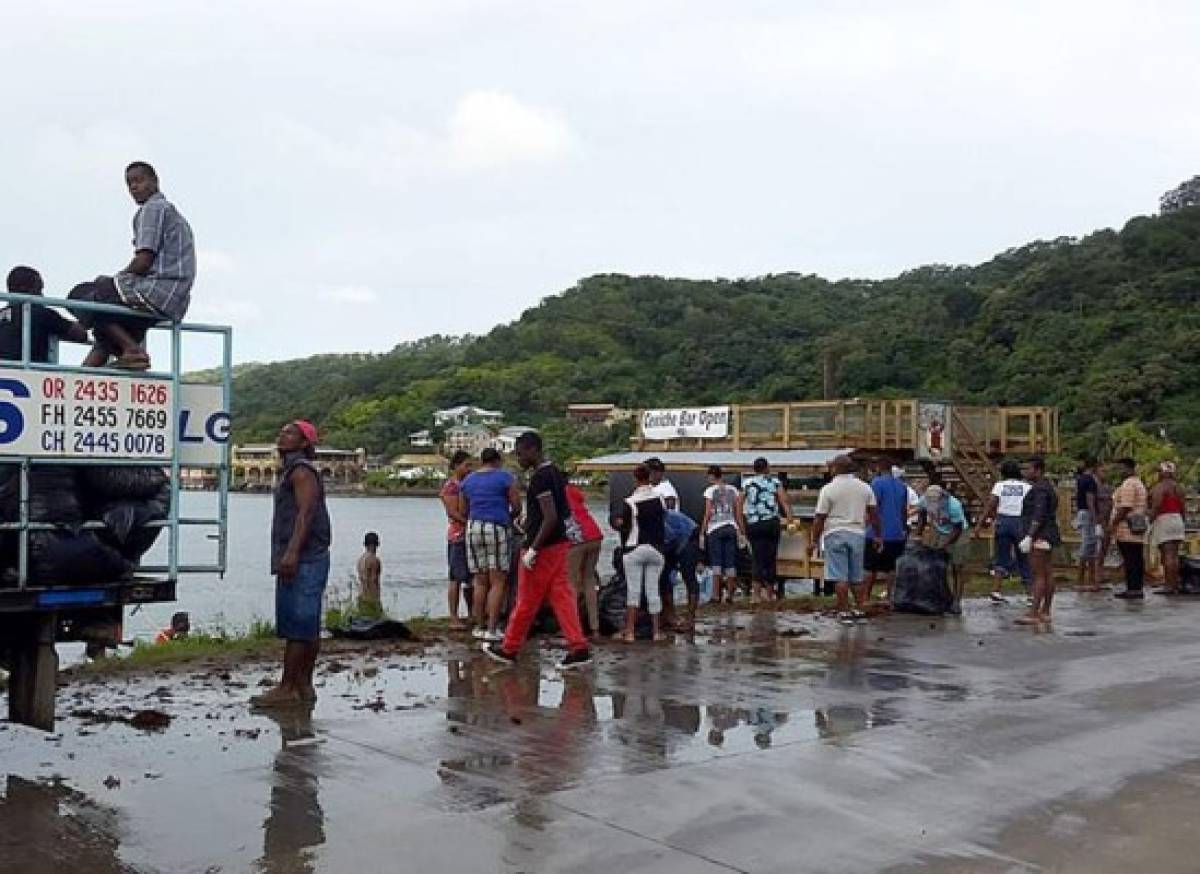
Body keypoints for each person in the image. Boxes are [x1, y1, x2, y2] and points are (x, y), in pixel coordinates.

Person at [67, 162, 195, 370]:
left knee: (82, 295)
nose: (134, 187)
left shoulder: (153, 208)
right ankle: (88, 372)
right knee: (104, 324)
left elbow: (143, 260)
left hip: (158, 290)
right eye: (129, 183)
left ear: (154, 181)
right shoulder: (172, 213)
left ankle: (133, 351)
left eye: (139, 180)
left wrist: (112, 281)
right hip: (175, 299)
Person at [482, 432, 592, 669]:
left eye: (520, 453)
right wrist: (530, 521)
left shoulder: (541, 478)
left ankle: (509, 648)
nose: (518, 458)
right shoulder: (554, 473)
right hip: (560, 544)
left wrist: (533, 548)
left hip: (543, 548)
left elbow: (550, 516)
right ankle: (578, 646)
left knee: (526, 600)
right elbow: (554, 513)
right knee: (562, 598)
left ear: (532, 450)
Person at [252, 420, 332, 708]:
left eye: (289, 433)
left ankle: (288, 686)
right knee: (306, 622)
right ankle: (303, 685)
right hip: (306, 553)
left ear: (303, 443)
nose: (281, 435)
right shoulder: (294, 470)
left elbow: (306, 513)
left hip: (305, 555)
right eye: (282, 430)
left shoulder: (301, 471)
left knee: (298, 622)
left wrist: (292, 552)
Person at [809, 455, 880, 625]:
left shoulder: (828, 489)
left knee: (839, 575)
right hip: (857, 533)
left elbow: (820, 517)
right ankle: (859, 608)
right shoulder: (864, 488)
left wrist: (814, 540)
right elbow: (874, 514)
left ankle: (844, 610)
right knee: (856, 576)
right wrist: (877, 535)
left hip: (835, 533)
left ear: (837, 469)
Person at [461, 448, 520, 642]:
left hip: (473, 527)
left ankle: (479, 626)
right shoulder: (505, 478)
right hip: (497, 526)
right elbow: (517, 506)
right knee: (498, 580)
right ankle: (493, 628)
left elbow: (464, 510)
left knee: (479, 580)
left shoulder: (468, 481)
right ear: (497, 461)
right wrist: (506, 518)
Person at [611, 464, 668, 642]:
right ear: (649, 477)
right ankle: (657, 632)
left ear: (635, 479)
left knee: (633, 592)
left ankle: (629, 632)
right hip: (657, 550)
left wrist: (617, 522)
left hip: (635, 548)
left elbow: (624, 526)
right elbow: (663, 518)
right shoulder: (660, 498)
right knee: (653, 591)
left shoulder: (630, 502)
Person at [0, 266, 89, 362]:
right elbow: (81, 335)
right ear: (24, 288)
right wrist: (90, 318)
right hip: (30, 372)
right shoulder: (40, 313)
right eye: (38, 289)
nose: (42, 295)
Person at [974, 460, 1032, 604]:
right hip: (1020, 522)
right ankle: (1030, 593)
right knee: (1024, 557)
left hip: (1003, 521)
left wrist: (979, 525)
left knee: (1001, 557)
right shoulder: (1027, 487)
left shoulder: (999, 486)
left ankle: (996, 590)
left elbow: (991, 504)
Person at [743, 457, 795, 601]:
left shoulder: (747, 483)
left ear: (754, 469)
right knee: (771, 558)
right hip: (771, 522)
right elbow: (784, 501)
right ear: (767, 468)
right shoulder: (774, 482)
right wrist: (790, 519)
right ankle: (770, 593)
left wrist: (742, 524)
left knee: (757, 558)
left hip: (754, 522)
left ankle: (756, 594)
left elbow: (739, 503)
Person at [1016, 457, 1060, 624]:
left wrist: (1029, 535)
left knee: (1039, 574)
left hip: (1039, 534)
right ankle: (1045, 610)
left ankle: (1034, 612)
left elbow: (1038, 513)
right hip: (1048, 533)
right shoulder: (1047, 487)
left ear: (1038, 470)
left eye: (1028, 468)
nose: (1025, 471)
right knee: (1047, 572)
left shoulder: (1040, 489)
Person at [916, 483, 969, 615]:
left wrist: (945, 546)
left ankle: (956, 601)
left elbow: (957, 529)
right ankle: (939, 597)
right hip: (938, 530)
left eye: (935, 500)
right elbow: (922, 516)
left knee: (957, 566)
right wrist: (918, 533)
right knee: (936, 565)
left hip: (958, 532)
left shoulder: (954, 505)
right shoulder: (924, 500)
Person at [864, 457, 909, 603]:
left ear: (878, 468)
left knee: (870, 568)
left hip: (878, 532)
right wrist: (903, 528)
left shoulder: (877, 483)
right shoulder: (902, 485)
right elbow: (904, 510)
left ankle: (865, 597)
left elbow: (873, 508)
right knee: (891, 568)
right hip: (896, 533)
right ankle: (890, 597)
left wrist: (866, 523)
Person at [565, 482, 604, 637]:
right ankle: (595, 628)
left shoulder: (553, 492)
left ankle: (573, 629)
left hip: (576, 538)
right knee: (589, 581)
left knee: (571, 583)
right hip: (594, 533)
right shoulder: (573, 490)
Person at [700, 466, 743, 606]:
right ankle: (730, 595)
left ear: (712, 476)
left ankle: (716, 595)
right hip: (731, 527)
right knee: (731, 563)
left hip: (715, 528)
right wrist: (741, 531)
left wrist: (702, 531)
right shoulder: (733, 490)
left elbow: (708, 512)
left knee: (716, 563)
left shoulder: (710, 491)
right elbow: (737, 512)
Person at [440, 451, 473, 631]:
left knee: (470, 577)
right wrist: (469, 523)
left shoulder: (466, 484)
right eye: (466, 465)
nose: (469, 469)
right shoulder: (451, 487)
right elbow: (452, 512)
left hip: (468, 534)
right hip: (458, 536)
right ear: (457, 466)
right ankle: (453, 616)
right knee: (456, 577)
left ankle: (470, 613)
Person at [1110, 457, 1148, 600]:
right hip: (1136, 525)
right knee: (1136, 557)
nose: (1119, 472)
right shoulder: (1138, 483)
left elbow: (1126, 506)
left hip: (1127, 527)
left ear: (1128, 468)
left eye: (1120, 468)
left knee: (1130, 558)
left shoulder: (1129, 484)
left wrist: (1114, 522)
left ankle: (1132, 588)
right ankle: (1136, 587)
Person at [1149, 461, 1187, 595]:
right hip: (1177, 519)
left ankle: (1169, 585)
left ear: (1163, 473)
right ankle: (1174, 584)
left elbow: (1157, 505)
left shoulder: (1160, 487)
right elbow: (1183, 507)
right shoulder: (1179, 487)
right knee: (1174, 555)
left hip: (1165, 519)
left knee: (1167, 555)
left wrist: (1149, 520)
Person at [661, 507, 701, 631]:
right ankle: (670, 615)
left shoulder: (665, 519)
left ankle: (690, 617)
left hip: (689, 537)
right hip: (675, 541)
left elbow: (671, 539)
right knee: (665, 577)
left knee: (688, 575)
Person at [1074, 459, 1102, 592]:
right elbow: (1090, 499)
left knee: (1090, 547)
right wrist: (1095, 517)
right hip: (1088, 513)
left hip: (1082, 512)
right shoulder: (1090, 480)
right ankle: (1080, 580)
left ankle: (1090, 579)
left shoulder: (1080, 479)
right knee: (1087, 546)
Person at [356, 532, 382, 611]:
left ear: (364, 544)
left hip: (361, 597)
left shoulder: (360, 559)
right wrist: (376, 602)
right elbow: (374, 581)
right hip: (371, 599)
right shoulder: (374, 560)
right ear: (377, 544)